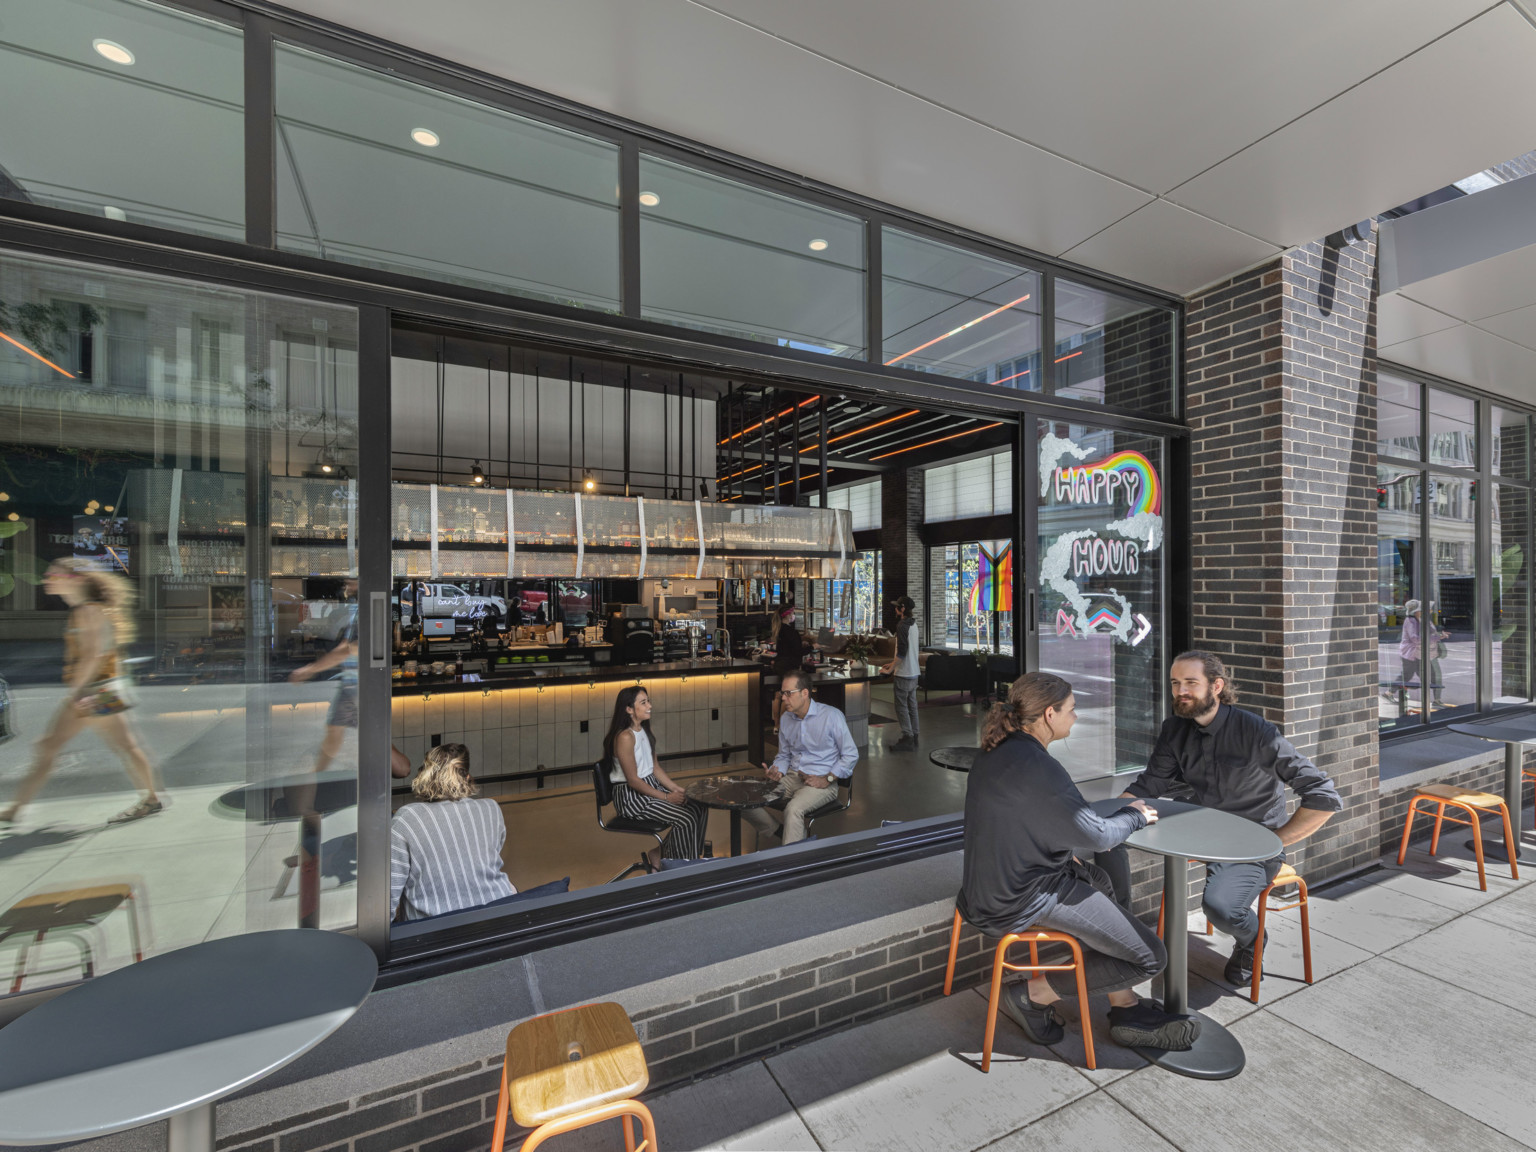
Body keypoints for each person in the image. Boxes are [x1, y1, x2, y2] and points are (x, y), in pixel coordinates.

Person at [959, 672, 1198, 1051]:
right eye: (1072, 709)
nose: (1077, 716)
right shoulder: (1038, 766)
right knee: (1150, 957)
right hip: (1020, 897)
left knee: (1100, 882)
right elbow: (1098, 836)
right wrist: (1136, 815)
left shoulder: (999, 751)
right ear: (1050, 714)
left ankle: (1126, 1006)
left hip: (991, 886)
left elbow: (1034, 818)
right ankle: (1032, 994)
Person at [1113, 650, 1342, 987]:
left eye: (1191, 683)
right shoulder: (1175, 729)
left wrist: (1277, 840)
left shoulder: (1257, 732)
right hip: (1199, 827)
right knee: (1110, 842)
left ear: (1216, 686)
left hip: (1251, 842)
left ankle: (1252, 941)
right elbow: (1149, 785)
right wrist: (1108, 819)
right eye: (1176, 683)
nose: (1181, 692)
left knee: (1220, 907)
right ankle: (1120, 939)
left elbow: (1323, 795)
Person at [0, 558, 162, 826]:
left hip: (96, 691)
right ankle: (16, 809)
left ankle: (151, 799)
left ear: (75, 579)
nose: (48, 578)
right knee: (52, 746)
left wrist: (76, 692)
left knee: (123, 746)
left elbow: (93, 655)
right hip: (98, 689)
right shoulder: (88, 610)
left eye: (55, 574)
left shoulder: (88, 611)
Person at [390, 743, 514, 921]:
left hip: (435, 933)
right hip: (499, 916)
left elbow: (387, 897)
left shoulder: (405, 819)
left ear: (424, 776)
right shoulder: (491, 808)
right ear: (467, 777)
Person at [744, 669, 857, 845]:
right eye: (782, 693)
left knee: (793, 810)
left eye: (788, 693)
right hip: (792, 777)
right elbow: (784, 755)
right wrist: (778, 771)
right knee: (745, 800)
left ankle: (790, 864)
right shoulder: (786, 719)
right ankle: (782, 831)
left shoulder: (831, 716)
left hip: (821, 782)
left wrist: (827, 778)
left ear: (805, 693)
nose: (782, 698)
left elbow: (850, 754)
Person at [605, 684, 709, 865]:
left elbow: (655, 768)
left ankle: (662, 854)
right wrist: (667, 797)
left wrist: (678, 790)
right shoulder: (625, 737)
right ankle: (685, 869)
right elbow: (633, 780)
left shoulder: (644, 729)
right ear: (629, 709)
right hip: (632, 798)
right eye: (643, 703)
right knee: (686, 818)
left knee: (699, 806)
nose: (649, 706)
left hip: (650, 786)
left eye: (648, 701)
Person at [290, 580, 361, 774]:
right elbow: (345, 646)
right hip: (352, 684)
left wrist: (309, 670)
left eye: (352, 582)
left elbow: (347, 649)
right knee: (335, 731)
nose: (347, 587)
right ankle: (319, 776)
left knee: (339, 732)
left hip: (359, 687)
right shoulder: (356, 609)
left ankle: (318, 776)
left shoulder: (365, 609)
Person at [880, 595, 921, 751]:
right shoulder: (913, 624)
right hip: (914, 672)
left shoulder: (902, 625)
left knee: (901, 706)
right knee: (912, 705)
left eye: (897, 606)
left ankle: (907, 735)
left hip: (903, 673)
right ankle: (915, 733)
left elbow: (902, 652)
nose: (895, 608)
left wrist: (891, 669)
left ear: (902, 609)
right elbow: (907, 651)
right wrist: (892, 663)